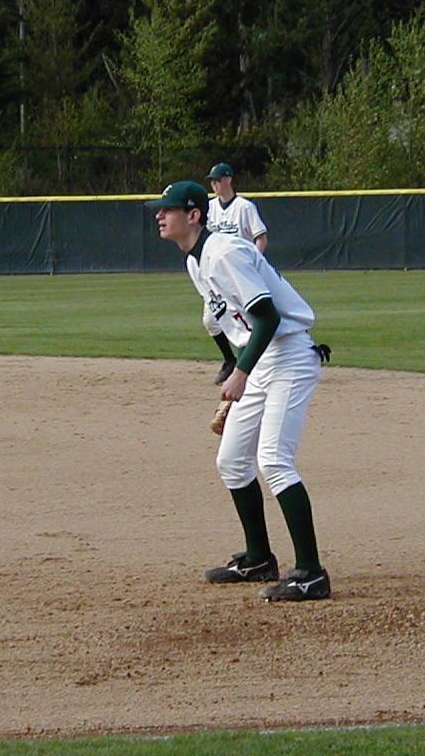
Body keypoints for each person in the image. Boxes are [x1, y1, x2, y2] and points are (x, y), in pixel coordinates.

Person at [147, 180, 331, 602]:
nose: (159, 215)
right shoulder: (196, 261)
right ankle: (258, 558)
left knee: (274, 460)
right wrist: (239, 365)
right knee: (231, 461)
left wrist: (240, 372)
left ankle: (311, 573)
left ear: (193, 215)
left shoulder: (224, 252)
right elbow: (232, 322)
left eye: (168, 209)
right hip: (260, 358)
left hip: (288, 356)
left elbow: (267, 317)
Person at [203, 163, 269, 383]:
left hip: (240, 274)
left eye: (218, 180)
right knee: (210, 321)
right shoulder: (209, 207)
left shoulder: (244, 207)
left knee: (250, 322)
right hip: (216, 276)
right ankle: (229, 360)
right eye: (212, 181)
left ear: (229, 179)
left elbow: (261, 237)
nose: (214, 184)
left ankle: (256, 364)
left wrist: (255, 262)